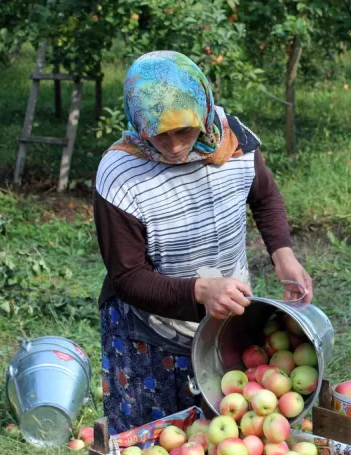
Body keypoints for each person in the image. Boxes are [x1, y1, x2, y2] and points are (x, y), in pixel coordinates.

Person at [93, 51, 313, 433]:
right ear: (137, 124)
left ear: (205, 112)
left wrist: (283, 254)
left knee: (224, 440)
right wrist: (200, 292)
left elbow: (263, 196)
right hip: (151, 334)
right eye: (160, 134)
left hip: (226, 317)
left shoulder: (234, 142)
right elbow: (128, 278)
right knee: (156, 445)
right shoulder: (120, 174)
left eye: (185, 130)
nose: (175, 146)